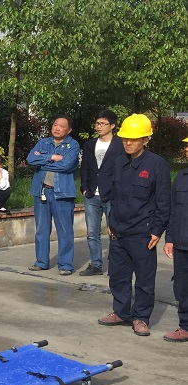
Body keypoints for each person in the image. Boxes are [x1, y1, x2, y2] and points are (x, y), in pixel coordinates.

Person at [98, 114, 170, 336]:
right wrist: (111, 221)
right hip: (118, 231)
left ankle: (140, 317)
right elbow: (114, 196)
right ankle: (121, 312)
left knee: (144, 280)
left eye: (134, 139)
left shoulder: (157, 165)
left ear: (145, 139)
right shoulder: (119, 162)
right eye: (125, 138)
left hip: (143, 233)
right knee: (118, 276)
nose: (128, 143)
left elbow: (163, 202)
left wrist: (157, 230)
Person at [27, 116, 80, 275]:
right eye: (55, 124)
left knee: (65, 230)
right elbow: (30, 159)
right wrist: (51, 157)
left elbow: (67, 166)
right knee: (41, 229)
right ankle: (41, 262)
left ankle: (65, 265)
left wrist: (42, 163)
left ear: (69, 130)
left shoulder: (73, 145)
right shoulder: (43, 143)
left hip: (62, 193)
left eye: (61, 126)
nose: (57, 128)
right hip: (42, 191)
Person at [78, 110, 124, 276]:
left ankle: (116, 265)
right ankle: (96, 265)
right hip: (91, 194)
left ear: (112, 126)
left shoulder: (120, 145)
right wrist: (84, 187)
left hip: (112, 195)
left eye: (103, 123)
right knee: (92, 233)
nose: (99, 126)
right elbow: (85, 168)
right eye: (97, 123)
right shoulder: (90, 145)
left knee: (115, 232)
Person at [163, 136, 188, 342]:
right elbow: (172, 211)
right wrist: (169, 238)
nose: (186, 150)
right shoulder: (181, 177)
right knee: (182, 288)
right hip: (181, 244)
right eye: (186, 146)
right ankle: (185, 327)